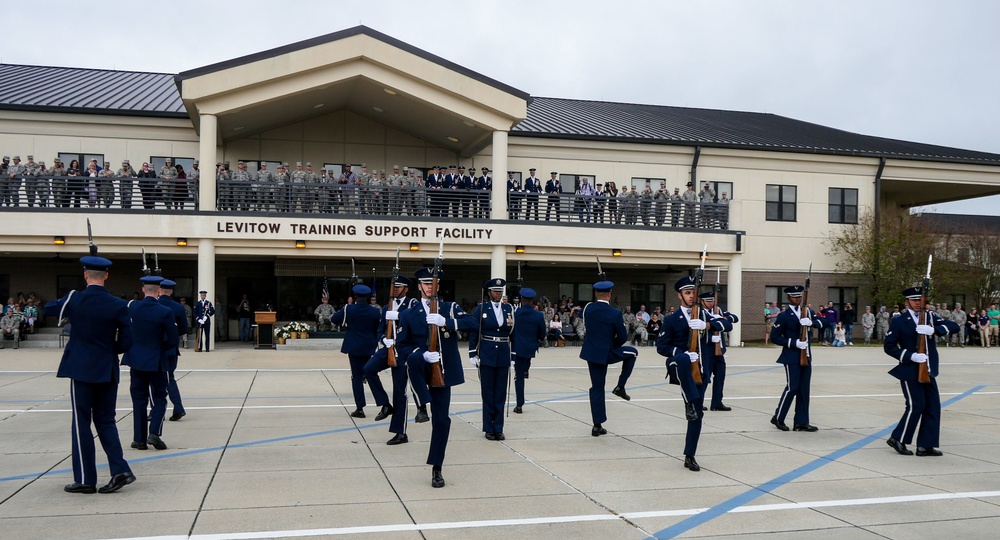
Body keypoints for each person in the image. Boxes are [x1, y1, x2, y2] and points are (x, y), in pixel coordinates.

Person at [43, 255, 136, 494]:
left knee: (81, 423)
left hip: (81, 368)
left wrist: (71, 296)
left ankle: (85, 478)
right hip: (107, 368)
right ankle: (120, 469)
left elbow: (50, 308)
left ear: (85, 275)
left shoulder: (75, 298)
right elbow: (126, 342)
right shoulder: (118, 304)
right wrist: (108, 350)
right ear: (106, 275)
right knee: (106, 421)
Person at [401, 267, 477, 488]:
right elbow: (402, 345)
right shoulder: (409, 313)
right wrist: (422, 353)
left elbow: (473, 323)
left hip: (442, 372)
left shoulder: (449, 308)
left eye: (432, 284)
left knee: (442, 421)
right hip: (421, 367)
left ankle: (437, 467)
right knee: (413, 359)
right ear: (419, 286)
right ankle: (422, 405)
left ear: (438, 286)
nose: (429, 287)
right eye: (425, 283)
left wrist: (447, 322)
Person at [657, 277, 731, 471]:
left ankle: (690, 455)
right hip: (681, 368)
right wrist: (683, 353)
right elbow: (662, 346)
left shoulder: (704, 316)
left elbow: (728, 324)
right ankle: (689, 401)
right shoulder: (672, 320)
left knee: (697, 416)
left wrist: (707, 326)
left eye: (693, 292)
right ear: (679, 295)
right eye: (688, 293)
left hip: (700, 371)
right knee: (681, 359)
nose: (692, 296)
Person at [884, 286, 959, 456]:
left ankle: (926, 445)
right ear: (907, 302)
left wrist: (935, 330)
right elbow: (889, 347)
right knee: (916, 406)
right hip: (910, 370)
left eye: (920, 300)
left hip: (929, 370)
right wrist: (910, 356)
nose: (918, 303)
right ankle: (898, 439)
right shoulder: (899, 321)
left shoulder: (930, 317)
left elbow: (954, 326)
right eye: (914, 300)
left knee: (932, 407)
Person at [364, 275, 420, 445]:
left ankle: (400, 433)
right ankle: (384, 404)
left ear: (406, 289)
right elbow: (379, 330)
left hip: (403, 350)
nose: (395, 290)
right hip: (388, 348)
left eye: (399, 287)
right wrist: (383, 340)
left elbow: (417, 324)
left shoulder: (412, 305)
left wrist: (398, 315)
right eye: (393, 287)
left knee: (399, 393)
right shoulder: (385, 307)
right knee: (368, 369)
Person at [124, 275, 178, 450]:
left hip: (136, 359)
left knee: (139, 399)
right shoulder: (164, 311)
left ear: (143, 290)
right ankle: (154, 432)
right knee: (160, 397)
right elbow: (172, 339)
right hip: (156, 359)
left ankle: (139, 439)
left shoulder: (132, 308)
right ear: (159, 291)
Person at [580, 279, 638, 437]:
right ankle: (620, 386)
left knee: (597, 388)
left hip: (592, 353)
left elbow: (586, 318)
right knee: (632, 353)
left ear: (595, 293)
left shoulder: (587, 309)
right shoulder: (614, 313)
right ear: (610, 294)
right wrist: (612, 345)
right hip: (608, 352)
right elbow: (623, 337)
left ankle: (596, 425)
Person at [769, 285, 826, 432]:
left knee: (804, 390)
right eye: (794, 297)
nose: (798, 299)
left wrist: (811, 322)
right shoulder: (784, 316)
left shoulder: (807, 312)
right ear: (788, 298)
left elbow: (826, 322)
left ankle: (801, 422)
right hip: (791, 356)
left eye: (799, 296)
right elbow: (774, 337)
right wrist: (793, 343)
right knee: (792, 388)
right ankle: (778, 417)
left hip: (805, 356)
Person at [468, 278, 515, 440]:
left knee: (500, 393)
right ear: (489, 293)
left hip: (503, 354)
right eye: (495, 291)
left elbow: (513, 332)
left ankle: (498, 427)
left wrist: (513, 355)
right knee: (488, 393)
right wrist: (472, 352)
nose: (498, 294)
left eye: (500, 291)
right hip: (486, 353)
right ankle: (488, 427)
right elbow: (474, 331)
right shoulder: (481, 309)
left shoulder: (509, 308)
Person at [331, 284, 381, 418]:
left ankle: (360, 408)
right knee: (369, 373)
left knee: (356, 376)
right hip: (369, 346)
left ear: (355, 296)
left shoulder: (349, 309)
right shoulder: (375, 311)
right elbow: (378, 327)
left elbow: (334, 319)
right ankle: (382, 403)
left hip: (354, 346)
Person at [700, 291, 739, 411]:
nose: (711, 303)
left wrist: (723, 318)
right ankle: (698, 402)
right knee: (704, 378)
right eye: (708, 301)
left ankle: (717, 402)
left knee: (720, 376)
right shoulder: (700, 314)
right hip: (706, 349)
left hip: (719, 350)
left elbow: (734, 319)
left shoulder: (719, 311)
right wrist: (712, 333)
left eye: (712, 301)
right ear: (702, 302)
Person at [158, 279, 189, 421]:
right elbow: (183, 329)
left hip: (155, 348)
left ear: (159, 290)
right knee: (170, 377)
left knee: (155, 381)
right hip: (170, 348)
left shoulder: (155, 304)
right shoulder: (177, 307)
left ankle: (157, 411)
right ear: (171, 292)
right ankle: (178, 406)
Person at [511, 288, 546, 414]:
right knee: (525, 366)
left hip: (518, 348)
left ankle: (519, 404)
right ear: (532, 301)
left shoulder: (516, 314)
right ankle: (526, 369)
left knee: (518, 377)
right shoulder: (538, 315)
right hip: (530, 347)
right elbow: (542, 334)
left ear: (521, 299)